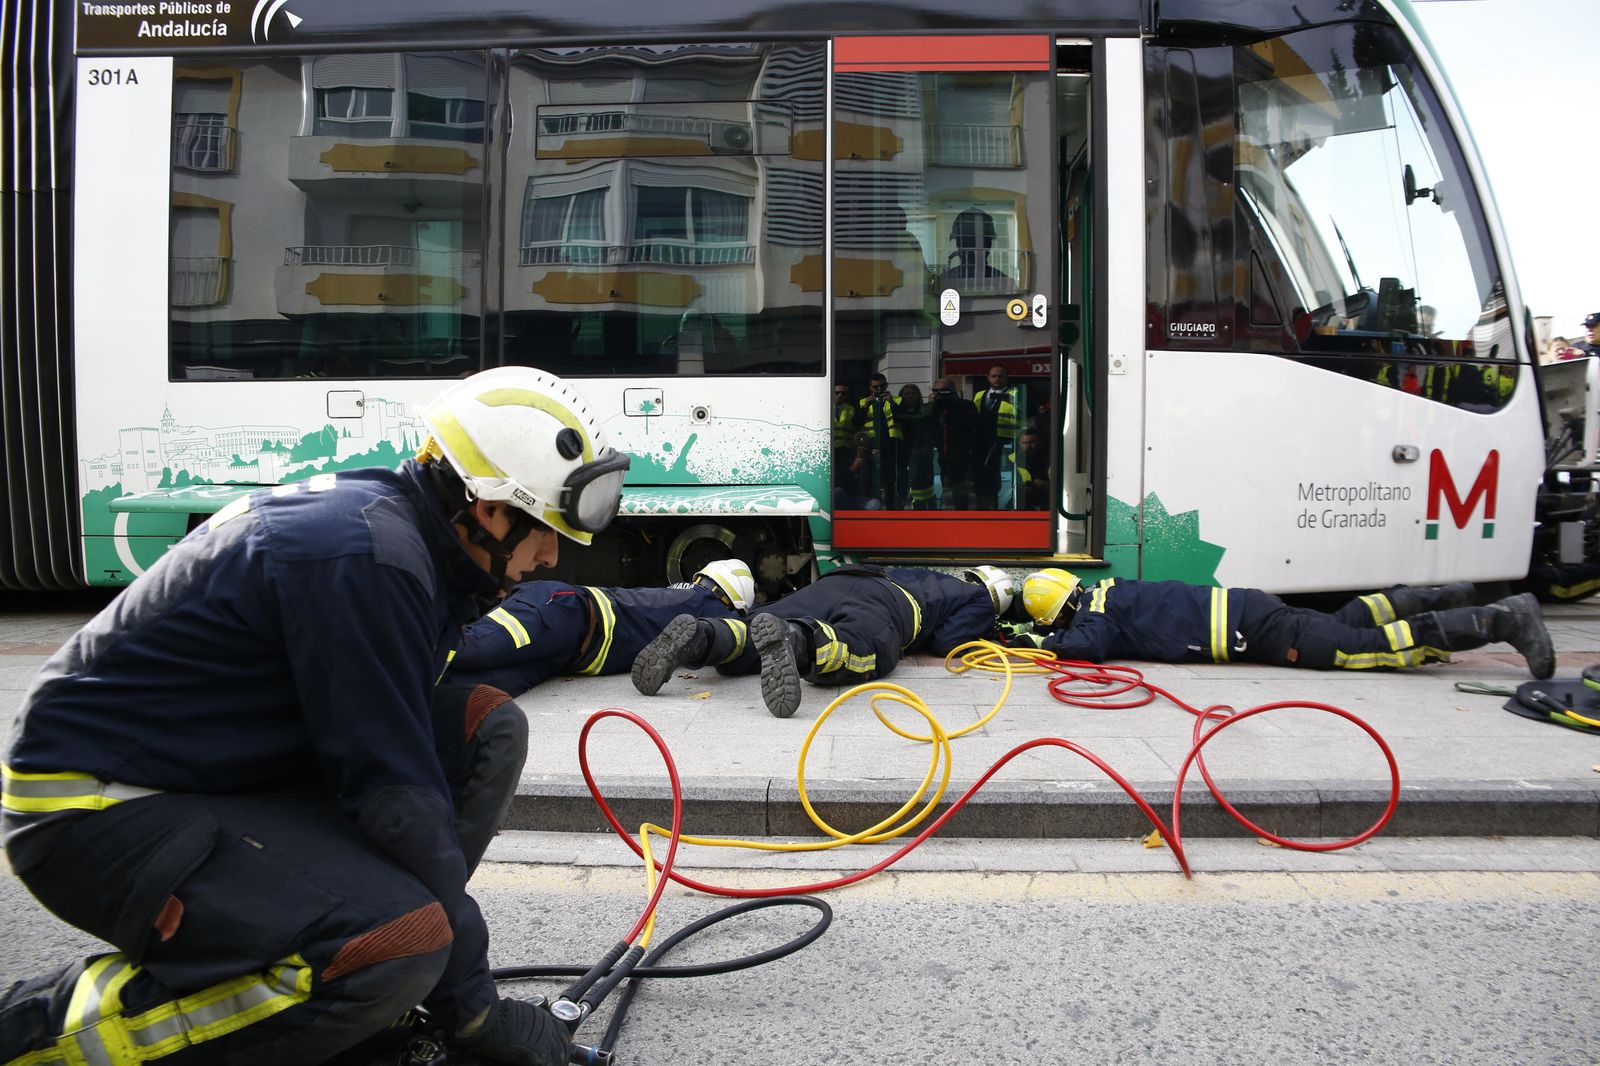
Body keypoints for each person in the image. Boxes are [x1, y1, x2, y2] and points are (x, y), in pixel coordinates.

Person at [0, 366, 631, 1066]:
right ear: (488, 509)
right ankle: (44, 1031)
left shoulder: (407, 535)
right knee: (402, 942)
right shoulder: (368, 558)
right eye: (544, 531)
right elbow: (397, 800)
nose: (550, 558)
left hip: (208, 772)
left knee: (488, 725)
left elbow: (408, 754)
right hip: (93, 806)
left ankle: (341, 992)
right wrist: (476, 1012)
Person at [1012, 569, 1555, 679]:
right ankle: (1434, 595)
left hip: (1261, 636)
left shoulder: (1097, 614)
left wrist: (1035, 642)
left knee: (1363, 649)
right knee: (1339, 622)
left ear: (1060, 609)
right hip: (1253, 609)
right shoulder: (1111, 590)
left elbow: (1083, 650)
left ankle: (1498, 620)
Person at [631, 565, 1014, 718]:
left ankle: (702, 636)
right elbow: (949, 641)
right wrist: (1001, 636)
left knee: (755, 629)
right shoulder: (979, 599)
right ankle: (796, 642)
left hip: (839, 581)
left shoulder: (929, 573)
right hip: (890, 606)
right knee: (862, 648)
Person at [451, 560, 754, 697]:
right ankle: (406, 647)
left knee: (484, 687)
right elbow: (737, 637)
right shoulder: (711, 608)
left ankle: (410, 691)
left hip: (569, 639)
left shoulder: (682, 595)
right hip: (568, 612)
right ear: (734, 604)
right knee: (473, 648)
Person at [973, 364, 1020, 509]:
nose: (997, 379)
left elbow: (1023, 415)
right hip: (982, 443)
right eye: (994, 376)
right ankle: (984, 506)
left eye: (1001, 376)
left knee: (1000, 477)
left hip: (1006, 442)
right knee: (983, 477)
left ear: (1007, 378)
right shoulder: (979, 395)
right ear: (988, 378)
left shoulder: (1015, 394)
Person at [929, 377, 977, 509]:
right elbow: (927, 425)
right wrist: (932, 405)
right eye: (936, 391)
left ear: (952, 391)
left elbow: (971, 426)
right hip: (938, 454)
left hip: (961, 455)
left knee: (960, 491)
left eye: (944, 391)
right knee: (943, 491)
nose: (940, 394)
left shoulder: (964, 405)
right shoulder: (934, 407)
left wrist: (955, 404)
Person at [857, 372, 902, 507]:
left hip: (890, 445)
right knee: (869, 479)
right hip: (871, 445)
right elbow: (856, 421)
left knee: (889, 480)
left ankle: (890, 509)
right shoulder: (862, 402)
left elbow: (903, 417)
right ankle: (871, 506)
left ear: (886, 385)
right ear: (870, 387)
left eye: (882, 386)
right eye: (875, 387)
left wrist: (892, 402)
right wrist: (865, 406)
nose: (879, 390)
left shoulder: (897, 400)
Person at [896, 383, 937, 509]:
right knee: (902, 482)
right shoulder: (896, 411)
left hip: (922, 451)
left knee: (923, 483)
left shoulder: (925, 409)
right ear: (901, 396)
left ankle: (926, 507)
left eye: (913, 393)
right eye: (907, 393)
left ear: (918, 396)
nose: (910, 396)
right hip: (901, 451)